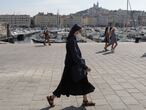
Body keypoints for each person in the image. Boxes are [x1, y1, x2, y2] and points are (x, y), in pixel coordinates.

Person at [46, 24, 95, 107]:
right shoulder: (71, 40)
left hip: (74, 66)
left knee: (83, 81)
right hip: (72, 67)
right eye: (80, 32)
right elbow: (75, 56)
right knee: (64, 84)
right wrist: (85, 67)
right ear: (76, 31)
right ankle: (51, 97)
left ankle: (85, 100)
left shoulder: (72, 39)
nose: (81, 33)